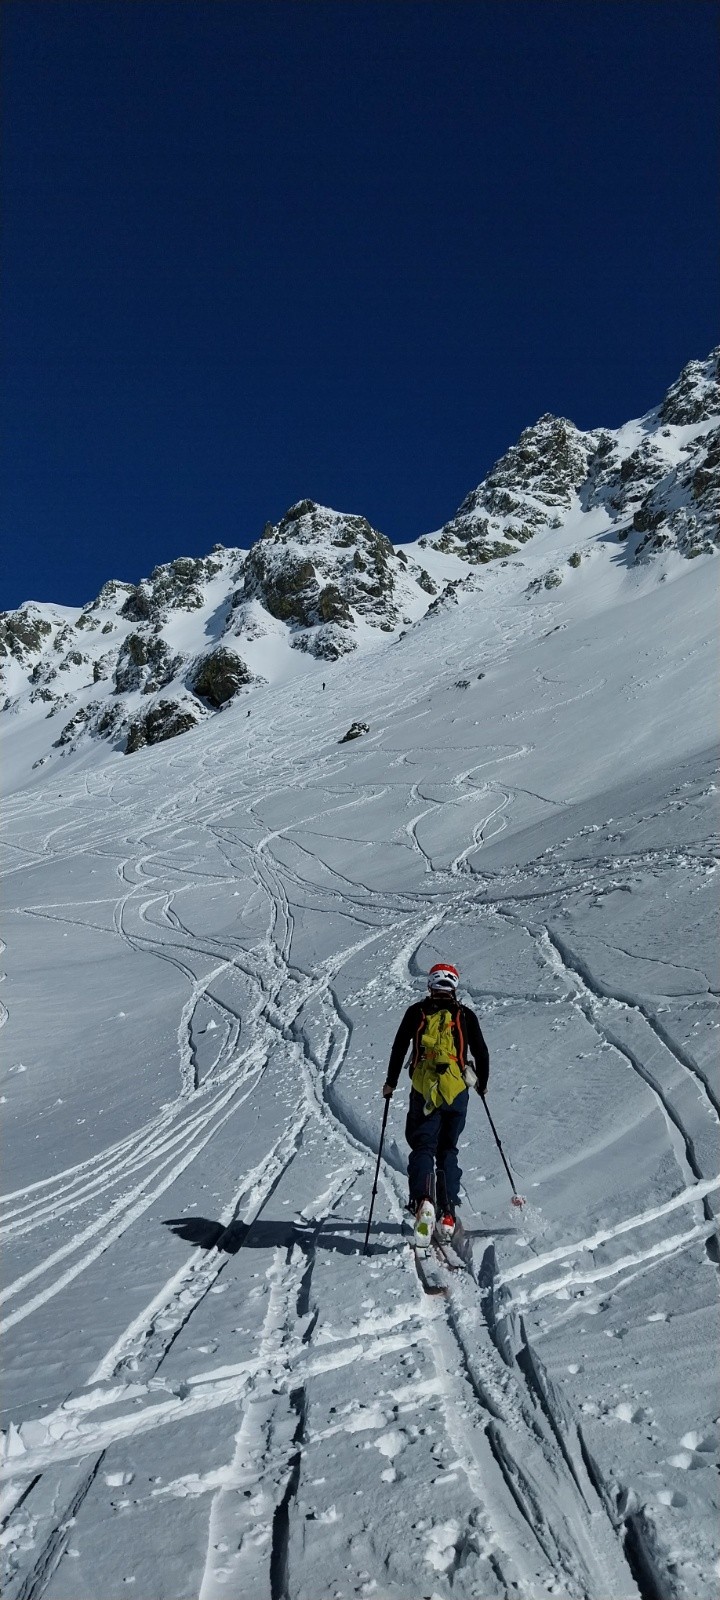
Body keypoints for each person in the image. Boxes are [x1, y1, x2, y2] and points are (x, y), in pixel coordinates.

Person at [382, 961, 489, 1244]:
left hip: (425, 1091)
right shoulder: (464, 1014)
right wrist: (482, 1085)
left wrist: (391, 1082)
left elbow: (399, 1047)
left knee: (423, 1146)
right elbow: (481, 1052)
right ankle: (448, 1213)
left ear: (430, 985)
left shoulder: (416, 1012)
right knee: (448, 1150)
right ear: (455, 986)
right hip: (456, 1091)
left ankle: (423, 1202)